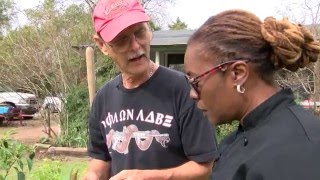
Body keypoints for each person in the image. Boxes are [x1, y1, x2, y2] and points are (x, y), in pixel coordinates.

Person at [83, 0, 218, 179]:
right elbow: (101, 159)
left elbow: (204, 167)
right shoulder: (103, 98)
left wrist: (149, 177)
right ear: (102, 45)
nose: (135, 46)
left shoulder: (184, 90)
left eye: (139, 32)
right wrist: (93, 174)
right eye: (122, 39)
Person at [184, 9, 320, 180]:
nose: (192, 94)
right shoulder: (239, 138)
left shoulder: (300, 151)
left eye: (195, 81)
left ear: (238, 74)